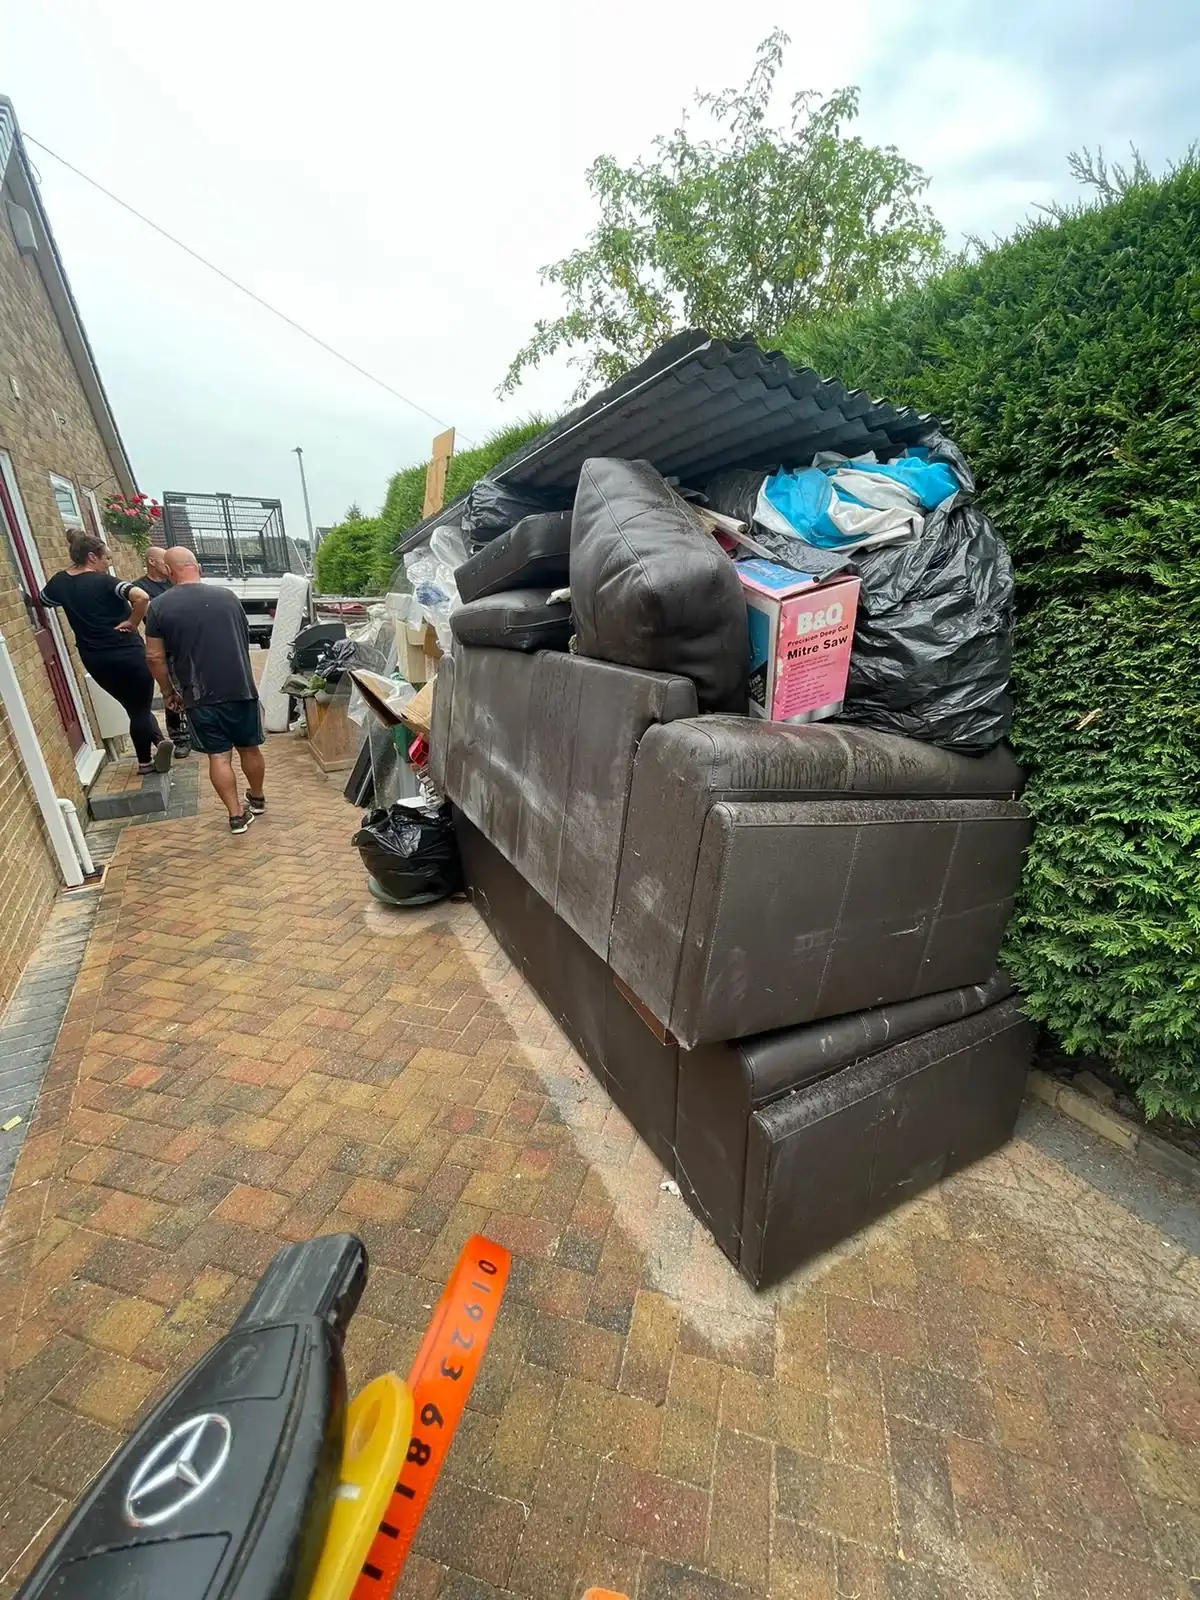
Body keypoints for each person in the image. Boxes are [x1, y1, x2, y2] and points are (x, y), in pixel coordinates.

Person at [144, 547, 266, 835]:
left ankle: (236, 816)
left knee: (219, 756)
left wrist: (168, 690)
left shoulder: (158, 607)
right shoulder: (228, 597)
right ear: (197, 566)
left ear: (168, 571)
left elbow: (154, 656)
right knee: (250, 747)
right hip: (240, 687)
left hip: (198, 693)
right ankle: (258, 799)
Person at [39, 531, 172, 775]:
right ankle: (145, 761)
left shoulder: (59, 582)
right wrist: (133, 621)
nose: (108, 563)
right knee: (140, 709)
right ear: (92, 557)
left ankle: (158, 741)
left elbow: (43, 600)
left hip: (95, 659)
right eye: (106, 558)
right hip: (128, 653)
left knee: (133, 708)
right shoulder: (105, 581)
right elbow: (141, 597)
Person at [136, 546, 190, 758]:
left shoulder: (174, 582)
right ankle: (180, 738)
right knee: (174, 692)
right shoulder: (140, 588)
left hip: (187, 643)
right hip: (164, 647)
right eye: (162, 561)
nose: (167, 567)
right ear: (151, 562)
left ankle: (199, 731)